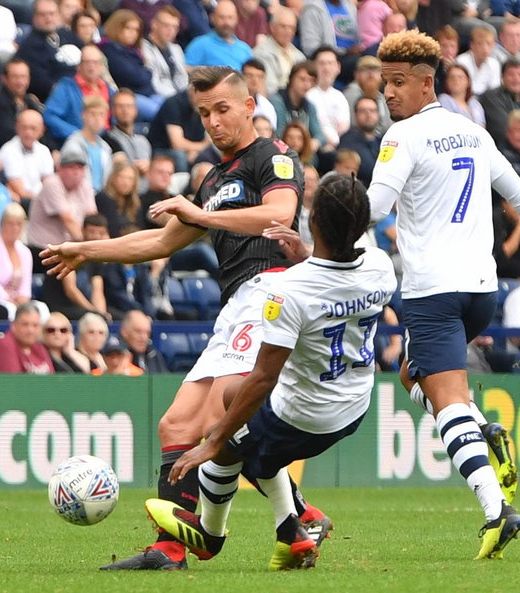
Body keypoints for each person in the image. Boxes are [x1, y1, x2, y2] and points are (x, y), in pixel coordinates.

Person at [42, 66, 325, 571]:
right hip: (235, 305)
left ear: (248, 106)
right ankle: (171, 549)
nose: (213, 122)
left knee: (226, 416)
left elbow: (277, 213)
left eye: (221, 109)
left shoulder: (273, 157)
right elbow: (158, 241)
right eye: (203, 114)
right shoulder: (214, 178)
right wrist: (86, 249)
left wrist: (202, 217)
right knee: (176, 424)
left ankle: (297, 521)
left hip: (270, 295)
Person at [363, 30, 520, 559]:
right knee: (413, 370)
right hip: (482, 292)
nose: (387, 94)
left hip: (433, 291)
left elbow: (373, 208)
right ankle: (486, 431)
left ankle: (495, 510)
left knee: (446, 398)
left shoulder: (403, 137)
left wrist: (326, 224)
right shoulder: (472, 132)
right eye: (384, 83)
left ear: (425, 83)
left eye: (397, 83)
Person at [146, 173, 396, 570]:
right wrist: (307, 253)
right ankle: (292, 530)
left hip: (301, 416)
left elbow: (264, 378)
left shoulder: (288, 291)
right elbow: (335, 275)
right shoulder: (382, 267)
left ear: (312, 222)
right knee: (241, 413)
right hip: (353, 407)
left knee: (228, 436)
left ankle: (210, 535)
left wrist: (213, 441)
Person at [27, 150, 96, 272]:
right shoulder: (52, 184)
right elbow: (68, 220)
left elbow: (93, 220)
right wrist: (89, 247)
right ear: (60, 169)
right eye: (71, 167)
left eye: (80, 168)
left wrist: (96, 244)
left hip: (70, 249)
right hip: (44, 251)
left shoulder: (84, 185)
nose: (76, 172)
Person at [99, 9, 162, 121]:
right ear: (117, 27)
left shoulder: (133, 52)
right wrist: (146, 72)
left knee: (174, 108)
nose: (133, 33)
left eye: (136, 30)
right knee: (162, 115)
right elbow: (134, 77)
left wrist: (146, 73)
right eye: (128, 28)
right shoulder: (110, 49)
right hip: (129, 96)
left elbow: (145, 74)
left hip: (148, 94)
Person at [44, 45, 114, 145]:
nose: (91, 66)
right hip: (76, 142)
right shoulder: (66, 87)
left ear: (102, 67)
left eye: (95, 62)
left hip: (106, 140)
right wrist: (78, 134)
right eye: (87, 62)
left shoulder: (109, 90)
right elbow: (50, 116)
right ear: (79, 66)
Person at [15, 0, 83, 102]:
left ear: (58, 15)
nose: (48, 18)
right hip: (59, 100)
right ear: (34, 18)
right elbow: (44, 84)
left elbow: (89, 53)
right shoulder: (30, 47)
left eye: (52, 13)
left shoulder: (67, 34)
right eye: (42, 14)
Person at [0, 203, 34, 320]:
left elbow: (26, 284)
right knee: (13, 312)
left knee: (41, 309)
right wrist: (10, 300)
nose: (15, 228)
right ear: (2, 224)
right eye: (10, 224)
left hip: (18, 301)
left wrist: (23, 300)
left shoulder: (25, 251)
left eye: (19, 224)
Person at [0, 302, 54, 373]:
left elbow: (52, 378)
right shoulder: (5, 345)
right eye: (25, 324)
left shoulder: (38, 347)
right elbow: (13, 383)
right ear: (14, 325)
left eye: (35, 325)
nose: (30, 330)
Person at [0, 110, 55, 205]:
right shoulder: (7, 150)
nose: (28, 133)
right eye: (24, 128)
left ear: (42, 130)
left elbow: (49, 184)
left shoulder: (44, 150)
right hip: (20, 203)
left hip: (41, 202)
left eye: (33, 128)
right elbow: (20, 192)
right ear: (17, 127)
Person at [0, 60, 45, 147]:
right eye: (15, 77)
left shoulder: (30, 102)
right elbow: (5, 136)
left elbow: (43, 129)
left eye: (23, 77)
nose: (20, 82)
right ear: (5, 79)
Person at [252, 7, 306, 96]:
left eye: (291, 28)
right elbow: (271, 89)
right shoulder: (260, 53)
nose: (288, 31)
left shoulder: (300, 57)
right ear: (272, 27)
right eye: (283, 26)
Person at [184, 0, 252, 70]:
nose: (226, 22)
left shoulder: (245, 49)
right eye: (222, 17)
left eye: (230, 17)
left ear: (237, 19)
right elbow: (186, 70)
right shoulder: (199, 44)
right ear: (212, 18)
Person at [141, 6, 188, 99]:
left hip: (178, 97)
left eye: (175, 27)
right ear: (154, 24)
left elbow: (183, 78)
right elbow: (155, 82)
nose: (171, 30)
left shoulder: (176, 49)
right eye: (166, 25)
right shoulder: (143, 47)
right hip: (156, 96)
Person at [104, 91, 152, 180]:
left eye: (129, 106)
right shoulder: (107, 140)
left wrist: (149, 166)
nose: (125, 110)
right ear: (113, 111)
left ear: (136, 110)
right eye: (120, 106)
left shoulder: (143, 141)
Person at [338, 97, 382, 187]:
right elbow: (367, 169)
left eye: (372, 110)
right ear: (355, 115)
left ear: (378, 114)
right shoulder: (347, 140)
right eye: (363, 111)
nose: (368, 114)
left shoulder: (383, 140)